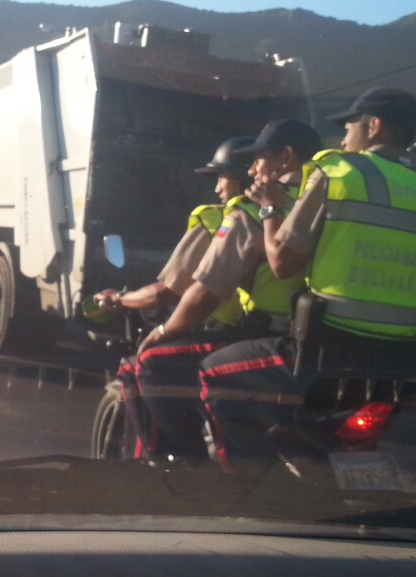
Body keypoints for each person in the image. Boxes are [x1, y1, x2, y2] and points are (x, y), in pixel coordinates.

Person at [197, 87, 416, 470]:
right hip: (398, 367)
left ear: (374, 127)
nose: (343, 138)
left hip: (323, 358)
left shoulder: (338, 174)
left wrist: (268, 210)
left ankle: (249, 484)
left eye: (348, 126)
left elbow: (281, 263)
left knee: (214, 372)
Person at [120, 119, 320, 463]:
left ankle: (189, 469)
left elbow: (204, 294)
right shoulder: (330, 207)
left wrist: (163, 331)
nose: (253, 169)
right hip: (328, 343)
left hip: (265, 339)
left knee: (151, 363)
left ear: (285, 158)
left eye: (259, 159)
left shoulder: (252, 214)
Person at [92, 136, 255, 463]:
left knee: (140, 367)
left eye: (220, 178)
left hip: (224, 332)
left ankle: (173, 463)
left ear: (238, 179)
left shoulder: (218, 220)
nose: (217, 189)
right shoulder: (283, 213)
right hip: (264, 335)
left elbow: (164, 292)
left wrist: (120, 299)